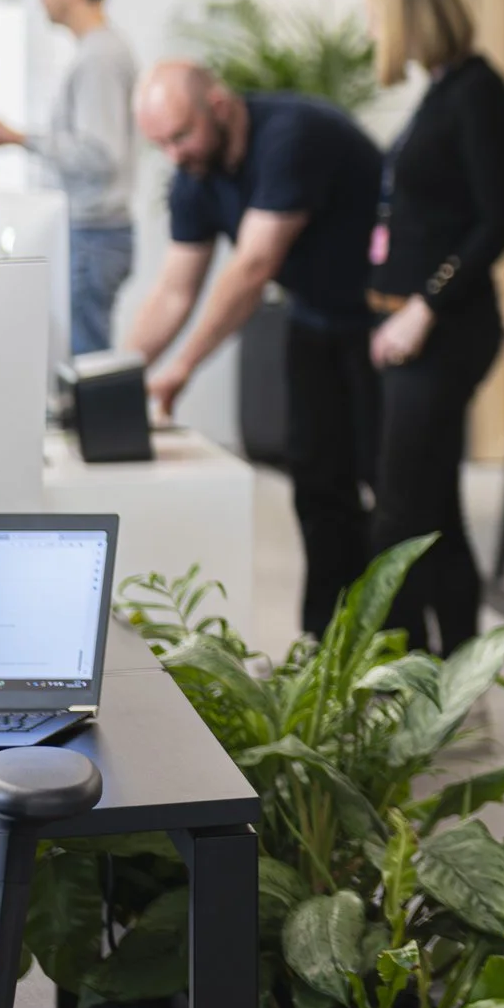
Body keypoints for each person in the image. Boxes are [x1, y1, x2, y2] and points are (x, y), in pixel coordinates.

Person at [128, 59, 382, 637]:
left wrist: (183, 368)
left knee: (390, 492)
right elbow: (173, 290)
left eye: (180, 135)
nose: (174, 154)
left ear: (218, 107)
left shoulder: (293, 135)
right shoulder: (193, 173)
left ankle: (416, 649)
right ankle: (329, 639)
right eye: (161, 143)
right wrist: (118, 373)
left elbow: (253, 266)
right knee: (318, 489)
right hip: (314, 322)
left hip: (381, 326)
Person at [363, 0, 504, 657]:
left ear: (410, 16)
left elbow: (502, 218)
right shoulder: (442, 88)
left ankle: (399, 674)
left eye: (379, 15)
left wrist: (424, 305)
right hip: (411, 323)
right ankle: (455, 664)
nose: (374, 30)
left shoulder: (477, 91)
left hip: (447, 329)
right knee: (434, 510)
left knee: (398, 514)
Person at [0, 0, 139, 354]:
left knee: (87, 363)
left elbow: (98, 155)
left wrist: (20, 138)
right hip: (94, 234)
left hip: (95, 234)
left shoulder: (99, 57)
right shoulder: (97, 52)